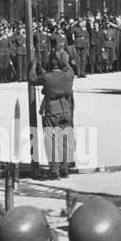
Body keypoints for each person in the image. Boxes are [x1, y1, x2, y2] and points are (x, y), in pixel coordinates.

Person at [30, 50, 75, 178]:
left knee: (51, 141)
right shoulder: (69, 75)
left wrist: (33, 67)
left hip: (52, 112)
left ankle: (54, 170)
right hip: (66, 111)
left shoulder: (47, 77)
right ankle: (64, 168)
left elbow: (32, 79)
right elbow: (68, 66)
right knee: (65, 140)